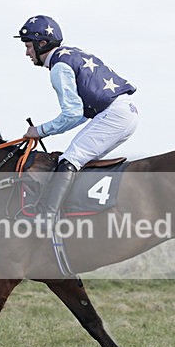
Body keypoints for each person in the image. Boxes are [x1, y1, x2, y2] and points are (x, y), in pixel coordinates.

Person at [14, 15, 139, 217]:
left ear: (42, 44)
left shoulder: (59, 68)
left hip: (114, 114)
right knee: (80, 163)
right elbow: (81, 113)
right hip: (125, 112)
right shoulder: (70, 54)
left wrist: (39, 131)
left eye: (28, 46)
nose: (27, 53)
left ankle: (47, 216)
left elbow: (72, 114)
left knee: (70, 160)